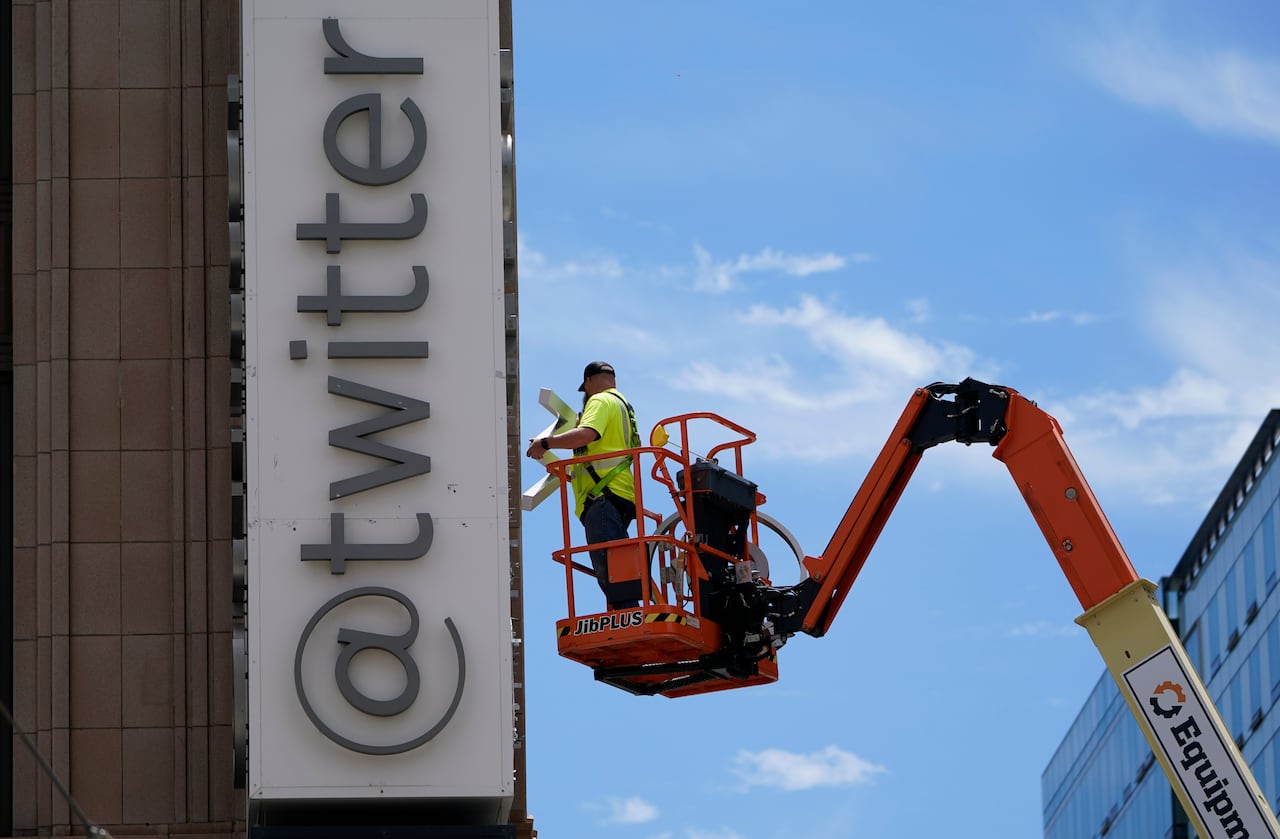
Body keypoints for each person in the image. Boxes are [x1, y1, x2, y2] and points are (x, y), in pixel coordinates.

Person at [525, 361, 642, 609]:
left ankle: (628, 616)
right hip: (621, 493)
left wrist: (544, 444)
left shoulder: (599, 401)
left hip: (602, 496)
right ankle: (630, 611)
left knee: (610, 571)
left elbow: (586, 435)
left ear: (588, 382)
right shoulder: (625, 408)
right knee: (619, 565)